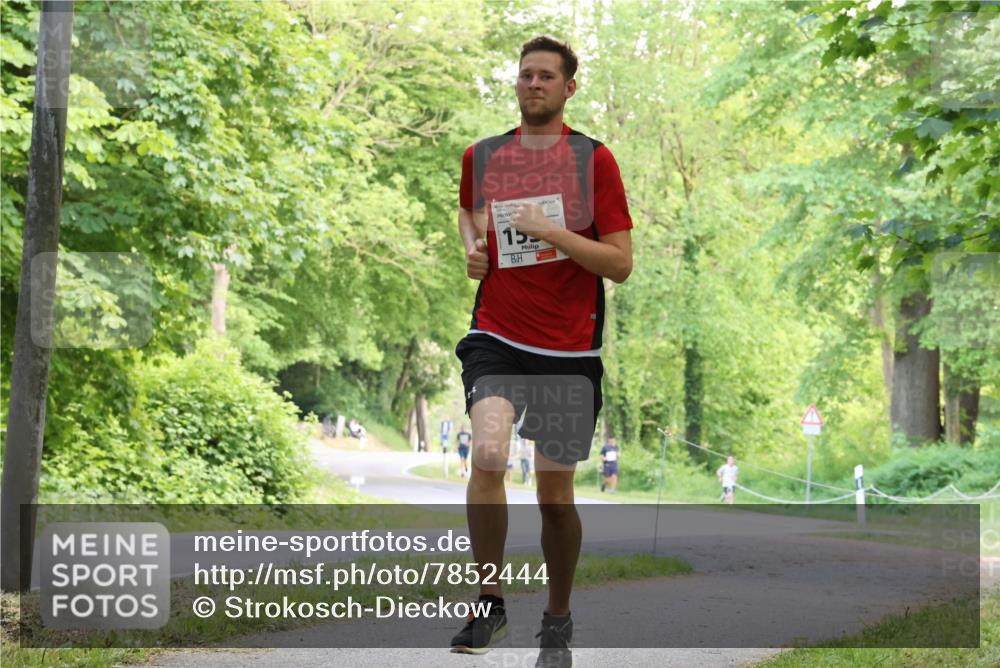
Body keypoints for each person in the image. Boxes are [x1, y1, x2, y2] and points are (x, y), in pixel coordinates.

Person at [450, 35, 633, 667]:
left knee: (555, 498)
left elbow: (620, 263)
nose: (534, 84)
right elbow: (469, 214)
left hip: (568, 346)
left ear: (568, 88)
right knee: (491, 452)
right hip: (497, 333)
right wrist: (473, 250)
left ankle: (557, 622)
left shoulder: (594, 161)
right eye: (526, 75)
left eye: (546, 77)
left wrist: (552, 231)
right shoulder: (484, 155)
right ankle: (490, 598)